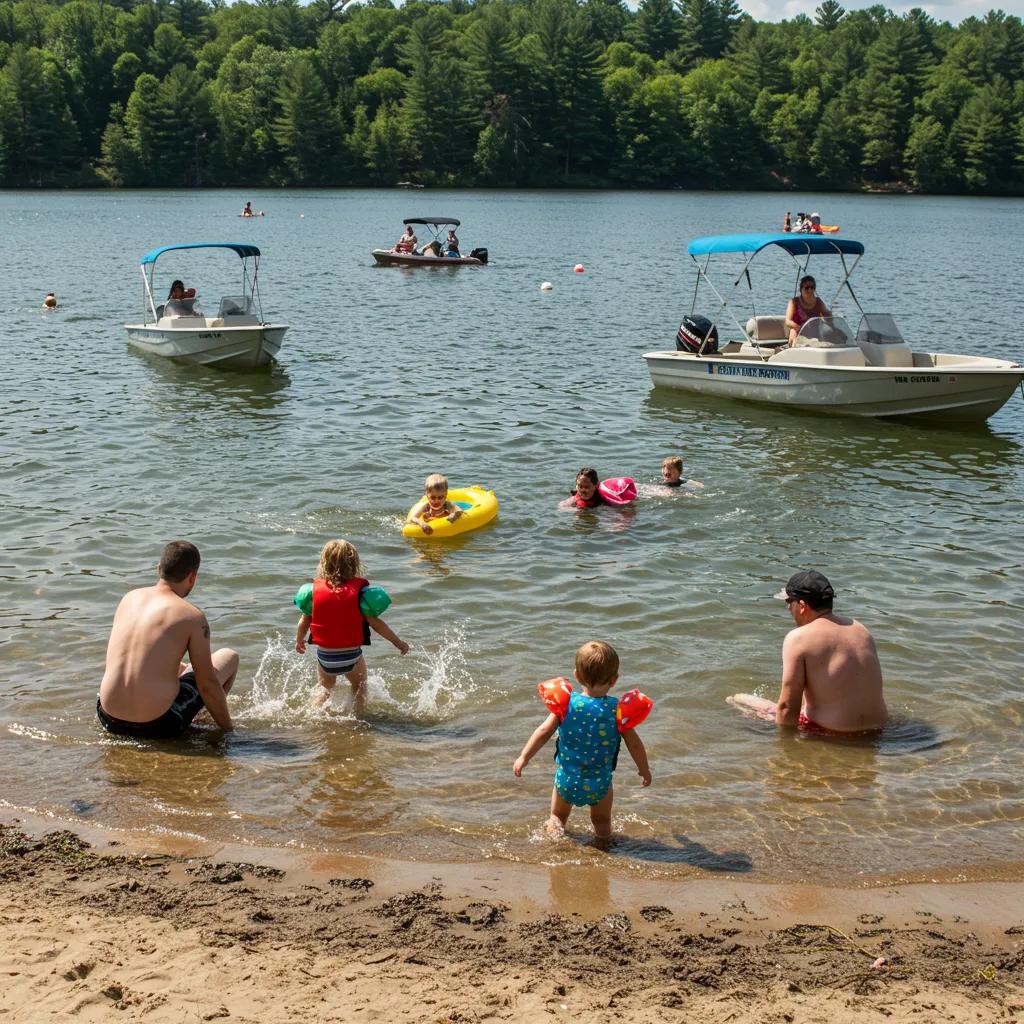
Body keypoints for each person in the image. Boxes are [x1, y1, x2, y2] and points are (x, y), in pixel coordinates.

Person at [513, 640, 652, 841]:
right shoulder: (617, 711)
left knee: (557, 817)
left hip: (567, 779)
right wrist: (644, 769)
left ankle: (553, 847)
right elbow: (635, 744)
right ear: (614, 680)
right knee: (602, 824)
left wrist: (523, 757)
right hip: (600, 783)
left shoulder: (566, 705)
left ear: (577, 676)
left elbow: (544, 731)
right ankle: (604, 851)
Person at [97, 541, 238, 739]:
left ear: (158, 569)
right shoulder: (192, 617)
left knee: (180, 669)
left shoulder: (129, 598)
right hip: (158, 725)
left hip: (108, 717)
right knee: (229, 656)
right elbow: (207, 684)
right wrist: (229, 731)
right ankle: (204, 720)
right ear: (193, 577)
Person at [294, 539, 409, 714]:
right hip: (352, 656)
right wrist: (398, 642)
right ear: (355, 564)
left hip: (325, 657)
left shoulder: (312, 594)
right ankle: (357, 717)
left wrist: (299, 640)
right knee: (360, 686)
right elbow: (377, 625)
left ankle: (313, 715)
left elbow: (304, 621)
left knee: (325, 688)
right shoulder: (361, 595)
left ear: (323, 563)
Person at [771, 571, 887, 734]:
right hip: (878, 730)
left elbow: (786, 707)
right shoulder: (860, 629)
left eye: (789, 602)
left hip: (832, 733)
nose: (788, 608)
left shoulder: (798, 638)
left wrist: (786, 750)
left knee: (741, 701)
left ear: (802, 606)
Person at [784, 275, 831, 346]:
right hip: (798, 333)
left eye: (812, 288)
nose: (810, 290)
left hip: (815, 334)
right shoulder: (794, 302)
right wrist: (800, 328)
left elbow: (827, 315)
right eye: (806, 288)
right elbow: (788, 321)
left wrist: (830, 315)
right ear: (801, 290)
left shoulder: (819, 302)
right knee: (793, 331)